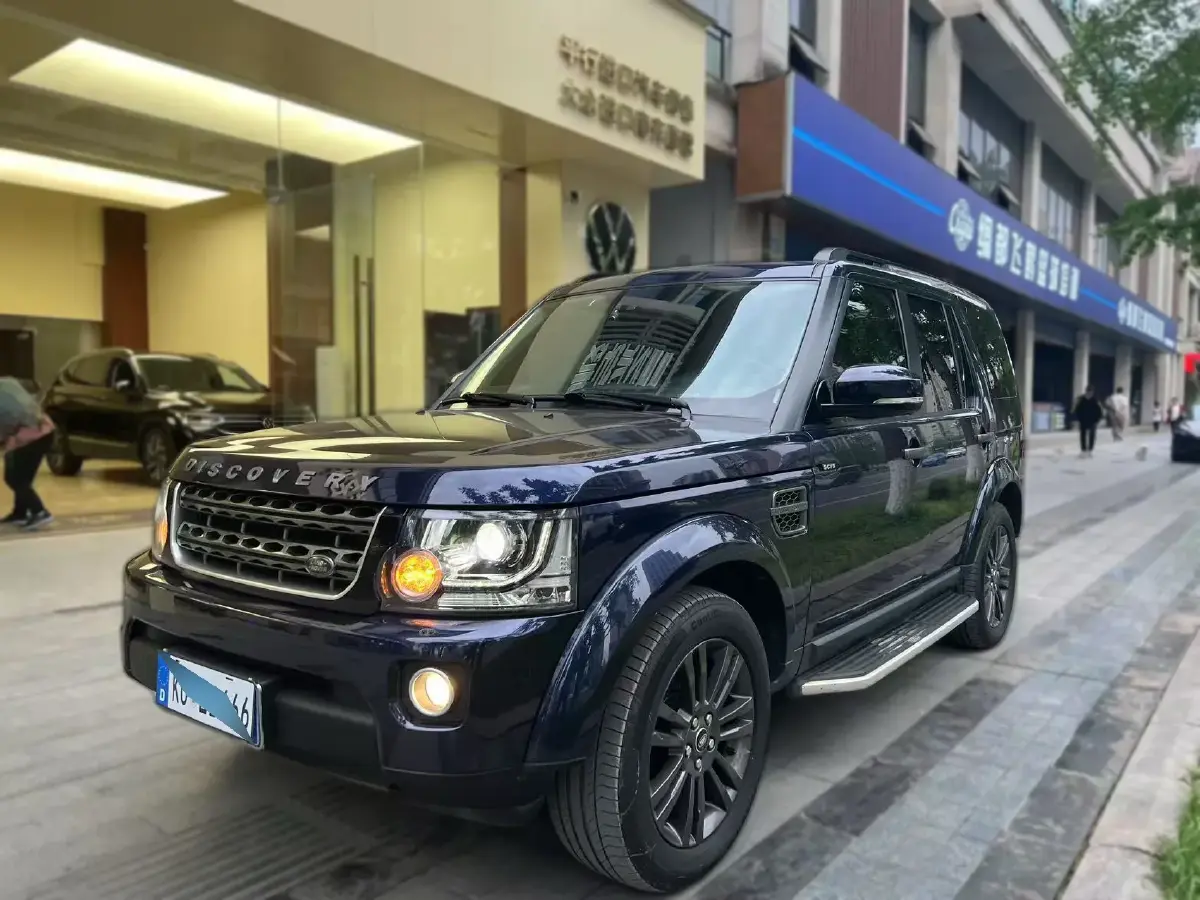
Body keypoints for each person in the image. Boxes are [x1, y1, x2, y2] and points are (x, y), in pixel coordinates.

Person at [0, 379, 55, 530]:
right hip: (45, 431)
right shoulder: (7, 382)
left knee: (15, 478)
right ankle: (21, 512)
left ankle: (40, 512)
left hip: (32, 437)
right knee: (20, 477)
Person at [1073, 384, 1104, 457]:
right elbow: (1076, 409)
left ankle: (1090, 449)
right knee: (1083, 434)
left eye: (1091, 392)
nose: (1090, 393)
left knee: (1092, 435)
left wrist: (1098, 419)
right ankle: (1083, 449)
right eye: (1088, 391)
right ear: (1086, 391)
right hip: (1083, 419)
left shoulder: (1096, 399)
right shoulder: (1081, 399)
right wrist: (1078, 418)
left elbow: (1100, 410)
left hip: (1093, 420)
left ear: (1093, 392)